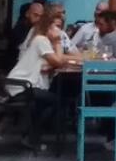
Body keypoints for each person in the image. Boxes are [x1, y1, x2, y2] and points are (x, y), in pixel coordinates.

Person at [6, 12, 76, 146]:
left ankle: (31, 136)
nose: (58, 31)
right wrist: (57, 42)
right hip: (21, 86)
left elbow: (52, 61)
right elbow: (58, 61)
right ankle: (33, 137)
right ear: (48, 28)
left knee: (45, 103)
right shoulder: (41, 40)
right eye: (55, 27)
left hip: (27, 85)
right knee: (59, 101)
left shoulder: (43, 41)